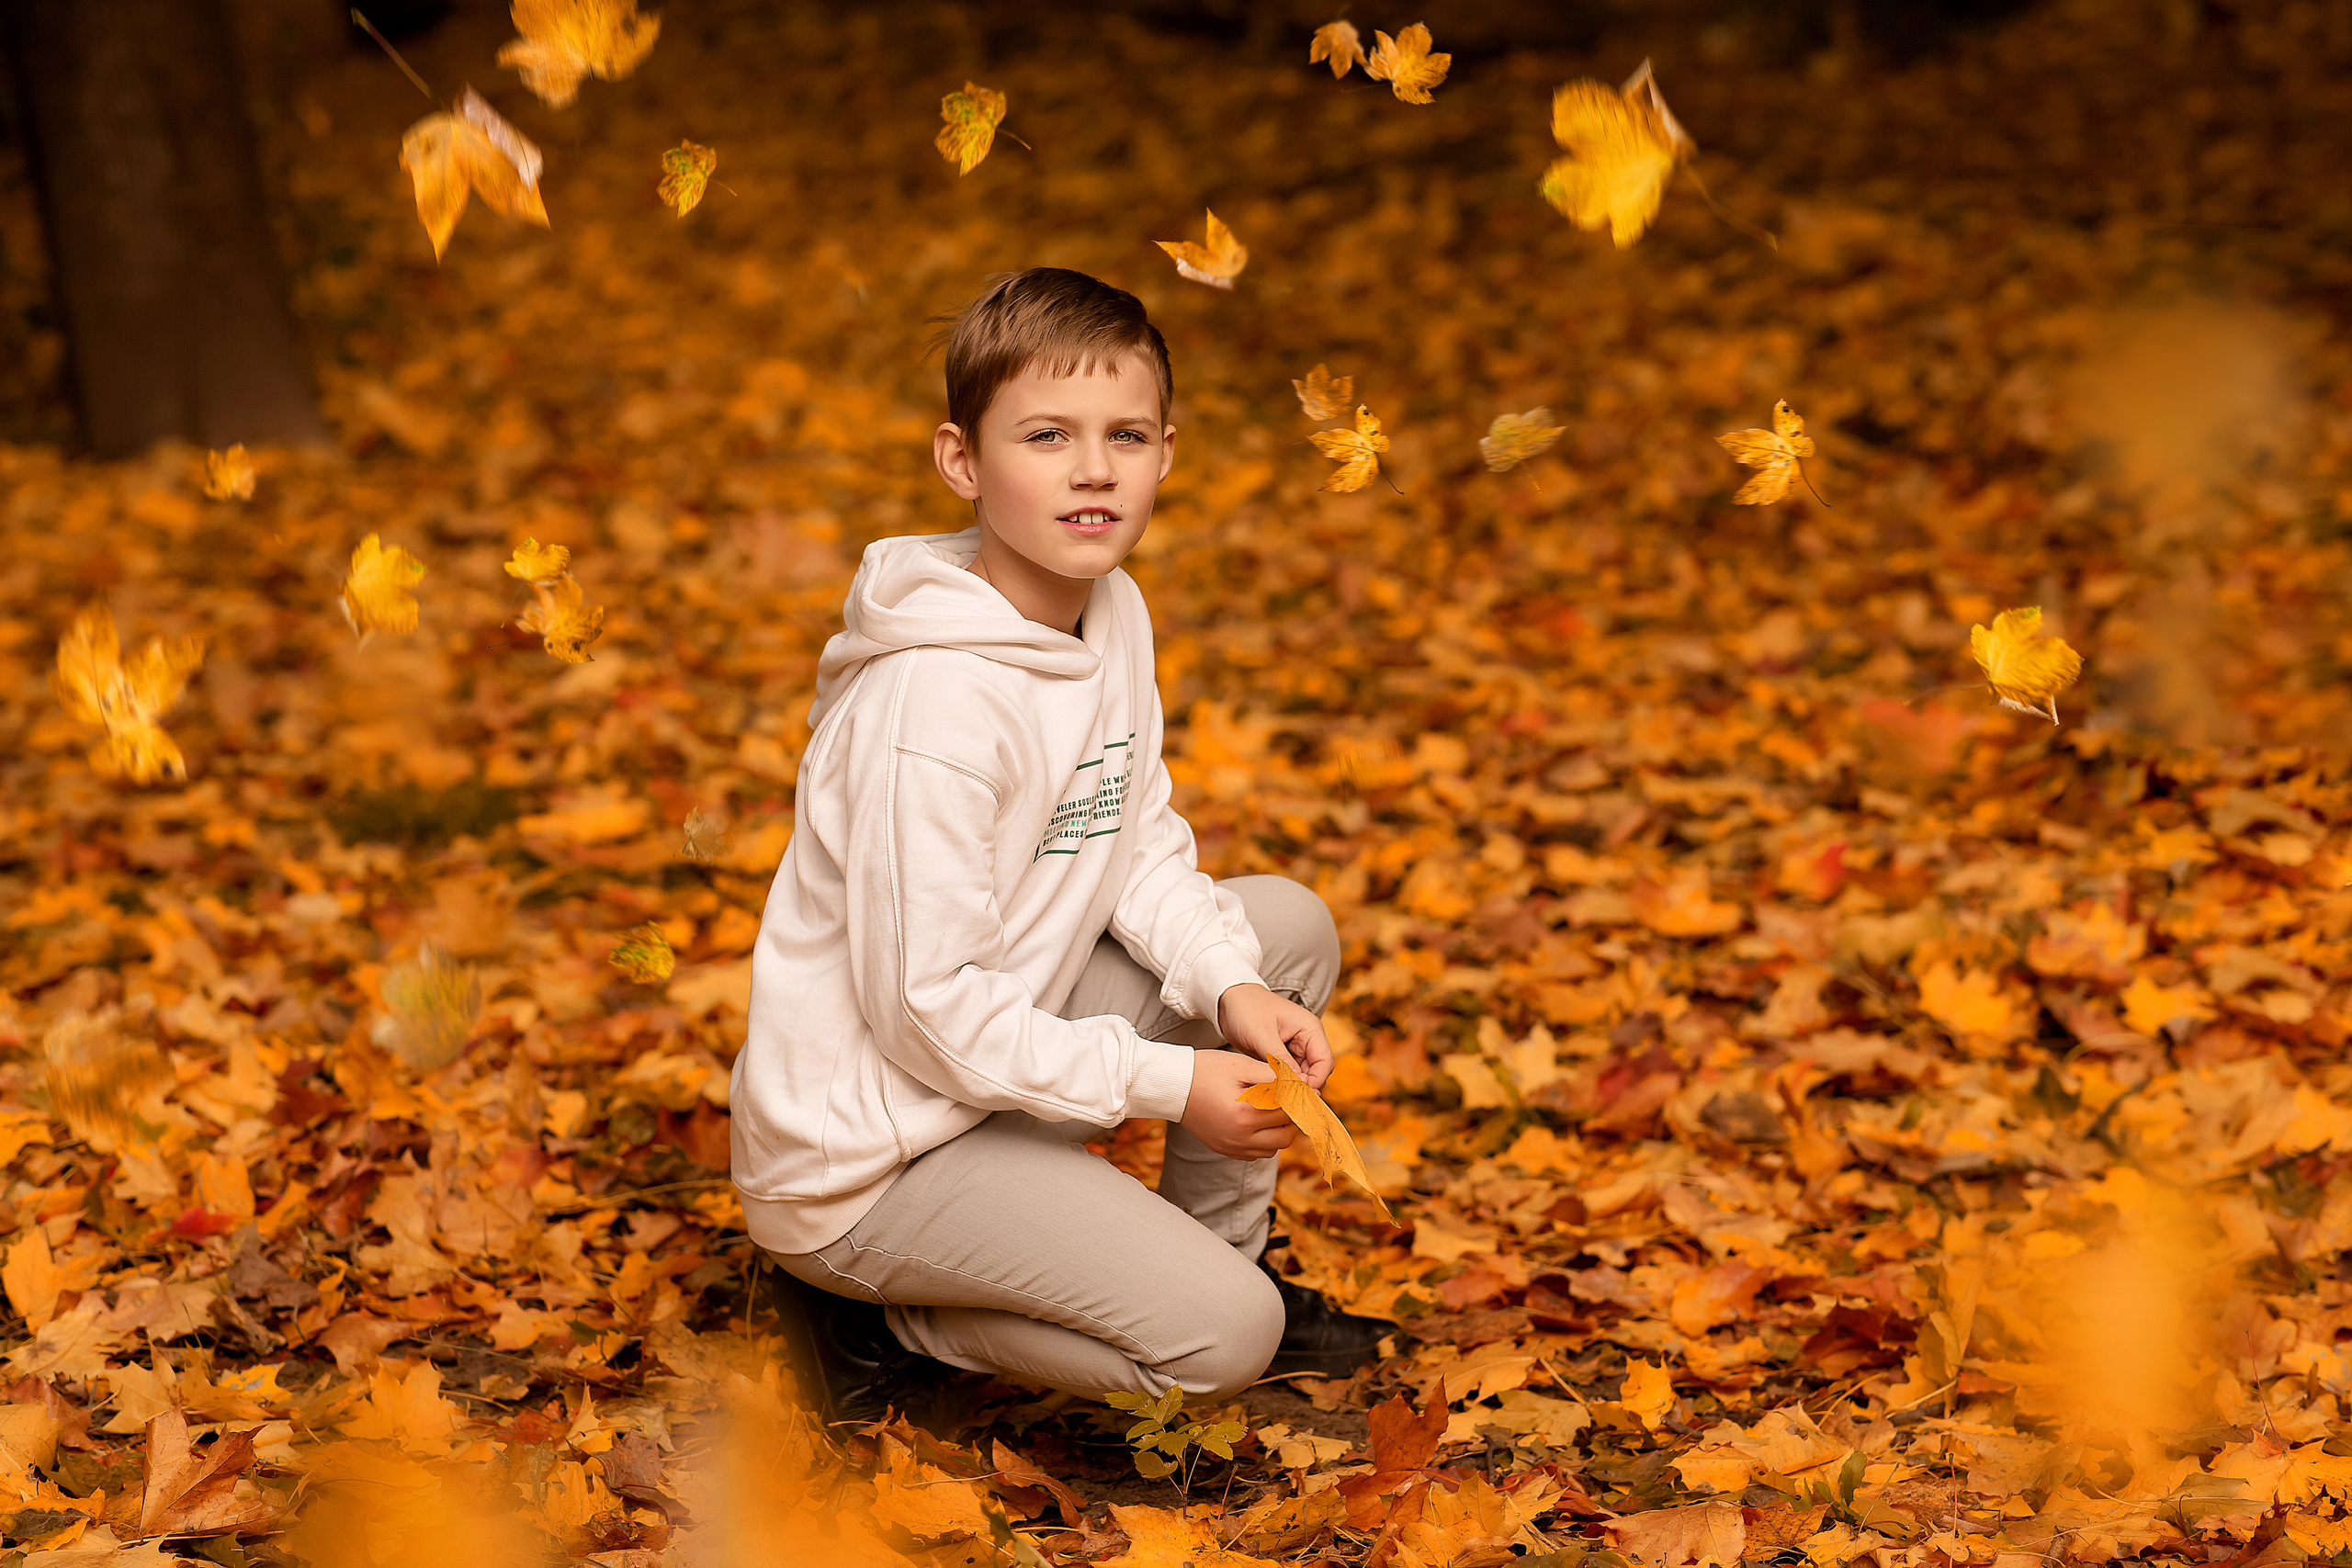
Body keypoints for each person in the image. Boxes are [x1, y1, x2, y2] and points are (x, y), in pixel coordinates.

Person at [728, 266, 1392, 1427]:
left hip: (986, 1068)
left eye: (1124, 435)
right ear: (962, 460)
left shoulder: (1109, 608)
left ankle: (1221, 1262)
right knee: (1220, 1341)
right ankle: (875, 1318)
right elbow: (926, 1011)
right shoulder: (932, 708)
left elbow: (1135, 843)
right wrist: (1170, 1083)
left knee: (1277, 932)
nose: (1094, 469)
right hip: (870, 1162)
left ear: (1165, 454)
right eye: (1047, 436)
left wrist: (1227, 989)